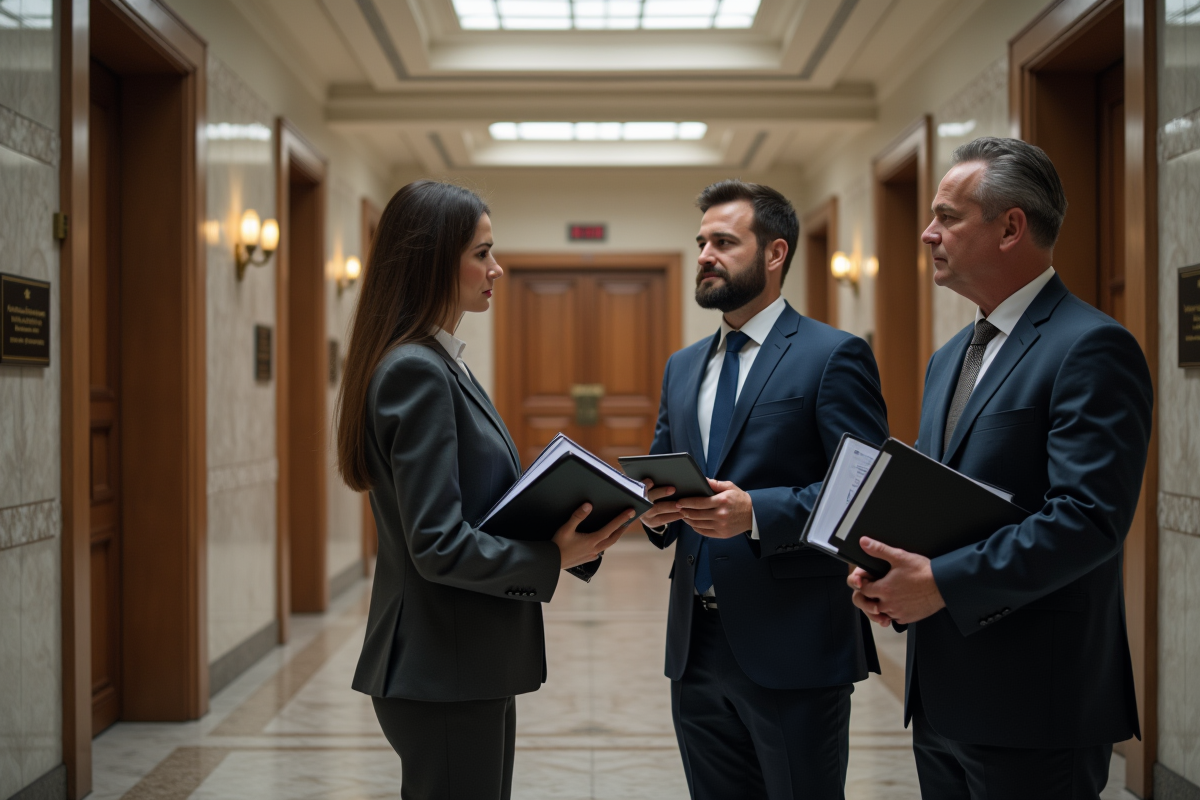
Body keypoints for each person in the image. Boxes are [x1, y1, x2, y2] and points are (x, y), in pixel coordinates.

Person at [848, 138, 1152, 799]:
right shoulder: (950, 356)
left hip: (1036, 701)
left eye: (947, 216)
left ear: (1011, 227)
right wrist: (889, 572)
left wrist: (941, 583)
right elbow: (935, 500)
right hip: (942, 696)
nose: (928, 233)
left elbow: (1088, 520)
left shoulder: (1091, 346)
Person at [335, 180, 635, 800]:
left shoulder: (443, 362)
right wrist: (551, 557)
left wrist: (569, 524)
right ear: (431, 261)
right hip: (444, 666)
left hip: (465, 661)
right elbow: (437, 544)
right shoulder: (417, 370)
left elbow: (477, 509)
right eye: (481, 253)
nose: (497, 268)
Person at [638, 179, 889, 799]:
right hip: (693, 645)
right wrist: (652, 511)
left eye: (724, 242)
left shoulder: (833, 355)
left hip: (795, 641)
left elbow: (866, 492)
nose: (705, 255)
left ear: (775, 254)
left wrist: (757, 512)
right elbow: (667, 471)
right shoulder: (682, 366)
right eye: (701, 242)